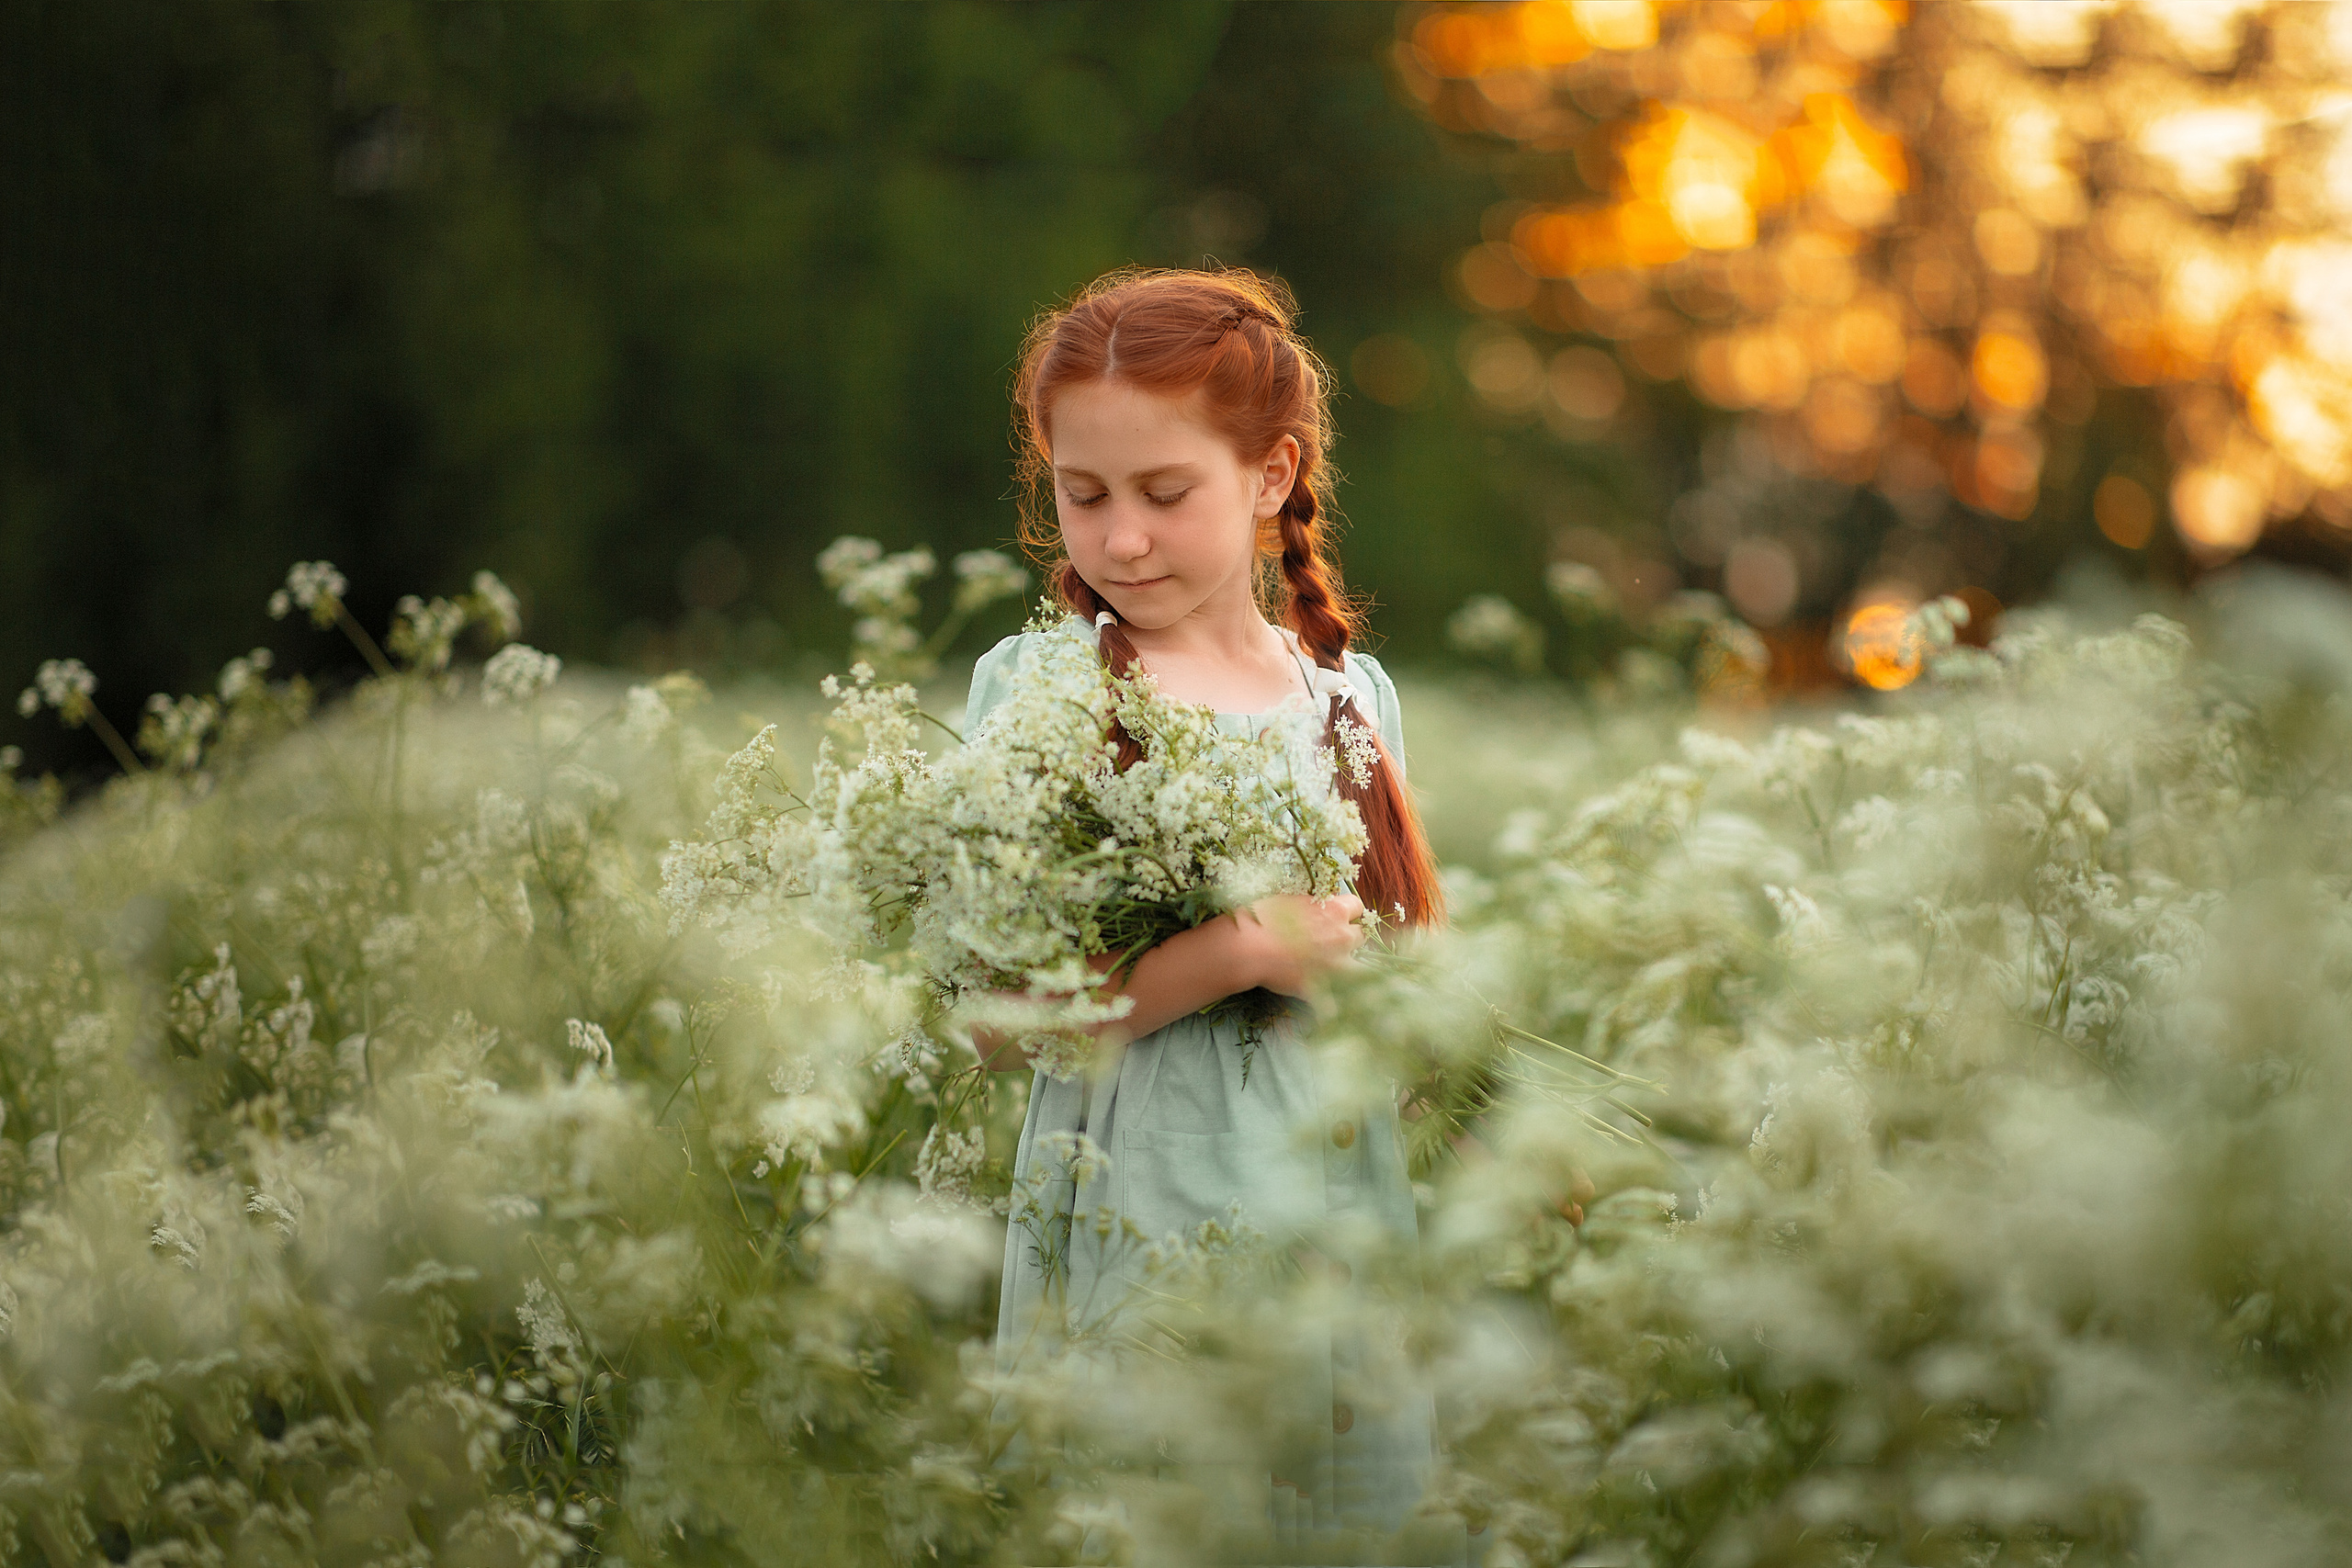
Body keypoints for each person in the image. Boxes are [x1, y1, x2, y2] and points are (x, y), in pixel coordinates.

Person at [965, 267, 1465, 1564]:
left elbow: (1406, 985)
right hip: (1139, 1214)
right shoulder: (1045, 694)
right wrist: (1235, 951)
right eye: (1084, 496)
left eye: (1164, 493)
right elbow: (997, 1024)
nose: (1122, 540)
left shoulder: (1349, 700)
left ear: (1269, 475)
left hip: (1337, 1221)